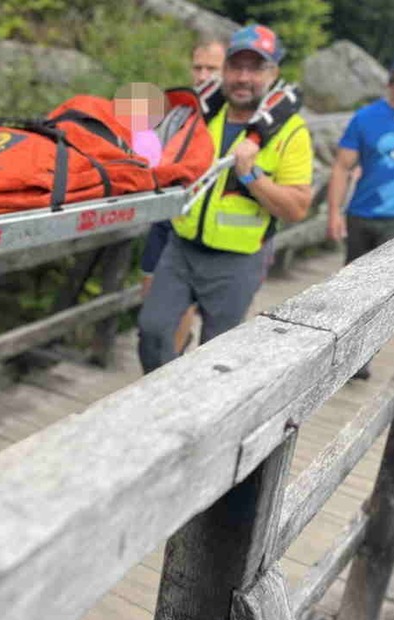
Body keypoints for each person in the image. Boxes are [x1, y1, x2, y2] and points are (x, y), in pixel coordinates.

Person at [137, 24, 313, 373]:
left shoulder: (291, 132)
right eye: (236, 67)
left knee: (215, 354)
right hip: (181, 248)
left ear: (273, 73)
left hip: (238, 261)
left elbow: (297, 207)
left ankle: (197, 419)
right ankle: (166, 396)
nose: (243, 77)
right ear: (225, 70)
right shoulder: (203, 115)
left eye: (256, 68)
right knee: (153, 331)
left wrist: (252, 176)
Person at [327, 44, 394, 380]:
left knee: (383, 293)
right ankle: (345, 351)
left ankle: (362, 358)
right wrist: (334, 214)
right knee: (351, 288)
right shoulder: (366, 117)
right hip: (362, 214)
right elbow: (341, 166)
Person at [138, 36, 227, 355]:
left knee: (182, 302)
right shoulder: (182, 107)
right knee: (149, 295)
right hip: (166, 212)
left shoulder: (232, 113)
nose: (203, 76)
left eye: (212, 69)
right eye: (198, 68)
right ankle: (166, 355)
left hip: (201, 219)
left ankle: (171, 364)